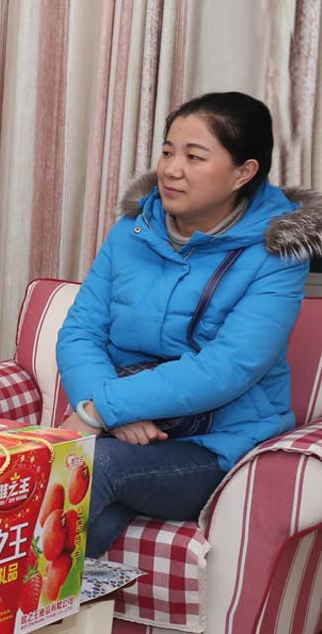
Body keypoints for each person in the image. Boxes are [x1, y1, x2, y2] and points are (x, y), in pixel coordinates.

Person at [57, 91, 316, 557]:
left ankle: (22, 602)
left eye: (194, 157)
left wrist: (102, 411)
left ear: (243, 172)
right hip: (124, 426)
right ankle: (48, 603)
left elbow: (227, 367)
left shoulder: (276, 254)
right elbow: (82, 331)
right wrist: (112, 410)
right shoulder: (132, 230)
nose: (172, 169)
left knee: (92, 466)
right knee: (75, 503)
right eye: (167, 151)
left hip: (214, 444)